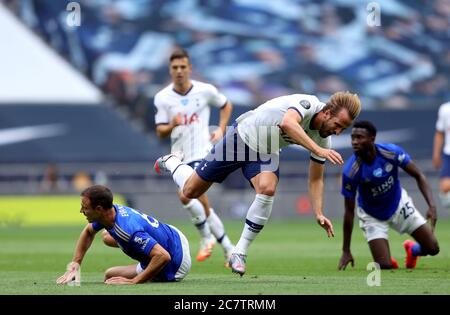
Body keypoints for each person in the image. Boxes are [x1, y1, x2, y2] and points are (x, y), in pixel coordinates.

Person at [154, 91, 362, 276]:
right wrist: (317, 150)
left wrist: (318, 212)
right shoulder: (307, 103)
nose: (337, 132)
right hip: (241, 136)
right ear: (326, 113)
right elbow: (288, 123)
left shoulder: (323, 139)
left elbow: (316, 178)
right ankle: (172, 161)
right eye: (337, 125)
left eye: (342, 129)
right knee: (190, 191)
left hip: (267, 149)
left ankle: (239, 252)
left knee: (268, 188)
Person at [153, 48, 234, 264]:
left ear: (190, 68)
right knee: (194, 198)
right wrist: (172, 124)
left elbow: (226, 105)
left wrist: (221, 129)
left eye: (183, 67)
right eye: (175, 67)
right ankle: (227, 245)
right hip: (179, 156)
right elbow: (160, 130)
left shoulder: (205, 90)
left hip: (202, 151)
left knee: (186, 194)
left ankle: (207, 237)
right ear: (170, 71)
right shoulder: (162, 98)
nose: (179, 71)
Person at [338, 121, 439, 271]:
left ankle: (412, 250)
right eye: (353, 138)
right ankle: (384, 257)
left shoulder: (390, 152)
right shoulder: (351, 171)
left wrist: (431, 205)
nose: (354, 142)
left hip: (399, 204)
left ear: (372, 138)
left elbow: (419, 175)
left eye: (359, 137)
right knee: (384, 266)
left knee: (433, 248)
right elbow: (348, 211)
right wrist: (346, 250)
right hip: (372, 215)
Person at [56, 185, 191, 285]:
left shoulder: (127, 230)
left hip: (175, 261)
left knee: (114, 275)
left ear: (99, 209)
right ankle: (144, 249)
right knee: (107, 247)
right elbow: (88, 232)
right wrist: (75, 266)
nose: (81, 211)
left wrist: (134, 281)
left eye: (84, 207)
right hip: (174, 235)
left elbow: (163, 256)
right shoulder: (110, 212)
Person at [432, 101, 450, 211]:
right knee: (445, 190)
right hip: (448, 154)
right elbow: (439, 133)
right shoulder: (445, 109)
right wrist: (436, 154)